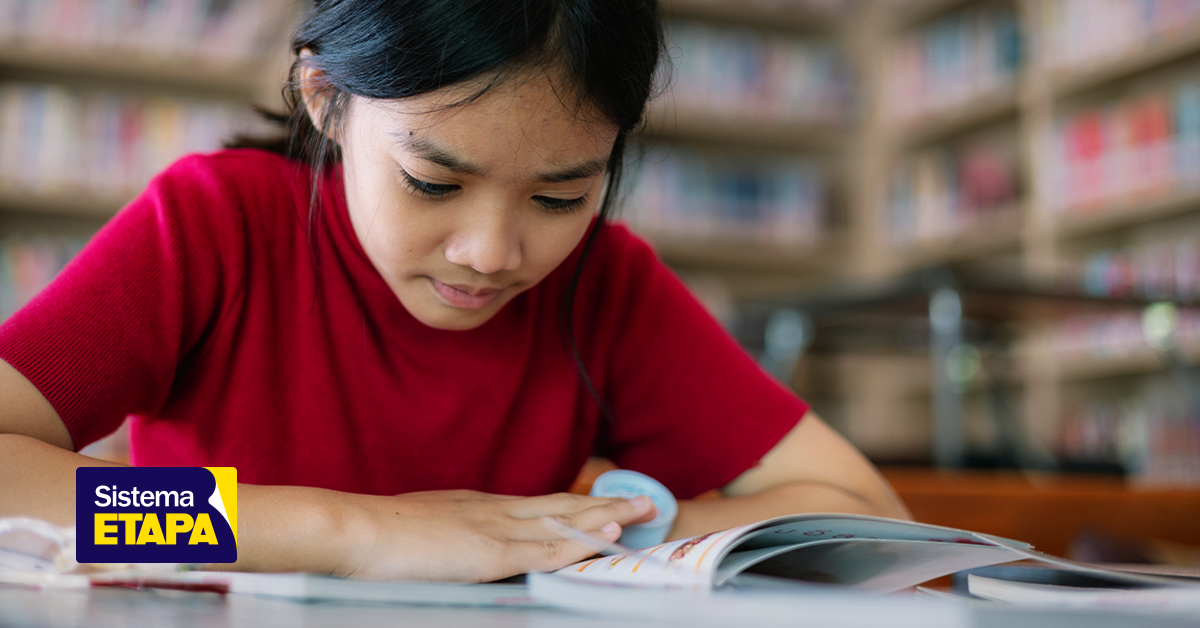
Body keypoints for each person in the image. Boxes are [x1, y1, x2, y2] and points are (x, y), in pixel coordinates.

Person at [0, 0, 910, 583]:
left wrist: (596, 528)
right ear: (325, 97)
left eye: (561, 197)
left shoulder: (605, 284)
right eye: (433, 184)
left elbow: (867, 511)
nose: (491, 252)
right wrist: (351, 532)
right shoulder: (215, 227)